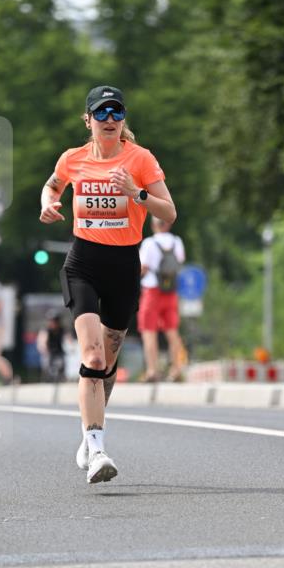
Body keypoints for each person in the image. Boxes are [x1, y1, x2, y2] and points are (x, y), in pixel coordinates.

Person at [40, 84, 176, 484]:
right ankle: (98, 449)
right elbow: (52, 184)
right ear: (88, 120)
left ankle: (89, 433)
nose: (110, 120)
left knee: (109, 364)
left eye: (116, 113)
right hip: (82, 264)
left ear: (124, 119)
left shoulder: (140, 159)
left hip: (123, 268)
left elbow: (169, 209)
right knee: (93, 357)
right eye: (101, 113)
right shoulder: (73, 159)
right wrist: (47, 202)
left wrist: (135, 194)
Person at [138, 216, 186, 381]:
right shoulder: (177, 242)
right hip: (171, 291)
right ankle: (176, 369)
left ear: (153, 225)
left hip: (152, 291)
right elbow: (180, 262)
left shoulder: (149, 243)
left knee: (149, 331)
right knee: (172, 332)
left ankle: (152, 370)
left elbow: (143, 267)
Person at [36, 310, 66, 382]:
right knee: (47, 365)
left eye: (55, 321)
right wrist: (45, 350)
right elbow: (42, 344)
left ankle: (60, 380)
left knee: (61, 364)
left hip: (59, 353)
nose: (53, 323)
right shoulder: (46, 331)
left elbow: (68, 341)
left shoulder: (62, 330)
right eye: (52, 321)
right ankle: (46, 380)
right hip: (49, 353)